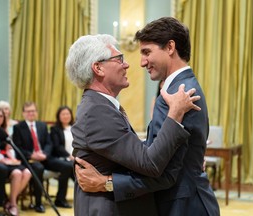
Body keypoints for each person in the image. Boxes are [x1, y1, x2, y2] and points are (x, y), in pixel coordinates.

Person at [75, 17, 220, 216]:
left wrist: (106, 183)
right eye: (120, 59)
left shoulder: (178, 95)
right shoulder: (179, 91)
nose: (140, 62)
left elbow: (162, 170)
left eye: (146, 52)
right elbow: (160, 158)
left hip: (183, 206)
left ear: (170, 47)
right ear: (98, 68)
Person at [12, 102, 73, 213]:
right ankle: (38, 203)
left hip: (44, 157)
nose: (31, 113)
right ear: (23, 113)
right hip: (29, 159)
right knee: (38, 168)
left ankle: (60, 199)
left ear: (36, 112)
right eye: (28, 111)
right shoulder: (18, 127)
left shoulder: (42, 125)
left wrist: (44, 154)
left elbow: (49, 144)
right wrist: (32, 155)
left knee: (67, 166)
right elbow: (18, 148)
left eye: (33, 111)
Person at [0, 107, 31, 216]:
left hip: (5, 160)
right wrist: (1, 161)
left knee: (27, 172)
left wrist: (12, 159)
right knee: (17, 173)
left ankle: (10, 201)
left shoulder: (1, 131)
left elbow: (7, 149)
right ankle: (12, 204)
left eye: (1, 116)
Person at [50, 106, 75, 180]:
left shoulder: (75, 128)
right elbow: (57, 146)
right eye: (63, 114)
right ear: (58, 116)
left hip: (75, 157)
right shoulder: (55, 129)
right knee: (70, 167)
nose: (65, 116)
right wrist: (69, 156)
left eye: (67, 114)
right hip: (62, 157)